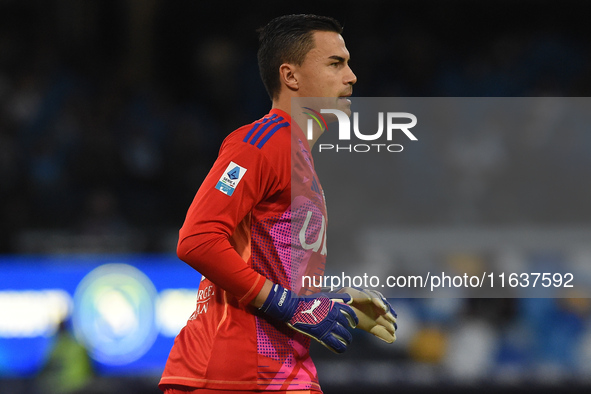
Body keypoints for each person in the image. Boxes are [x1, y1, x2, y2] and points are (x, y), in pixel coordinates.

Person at [159, 14, 397, 394]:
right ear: (291, 76)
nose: (351, 77)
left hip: (280, 371)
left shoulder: (301, 159)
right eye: (336, 64)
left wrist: (330, 300)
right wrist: (291, 307)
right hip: (232, 374)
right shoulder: (261, 143)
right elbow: (197, 240)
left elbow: (269, 272)